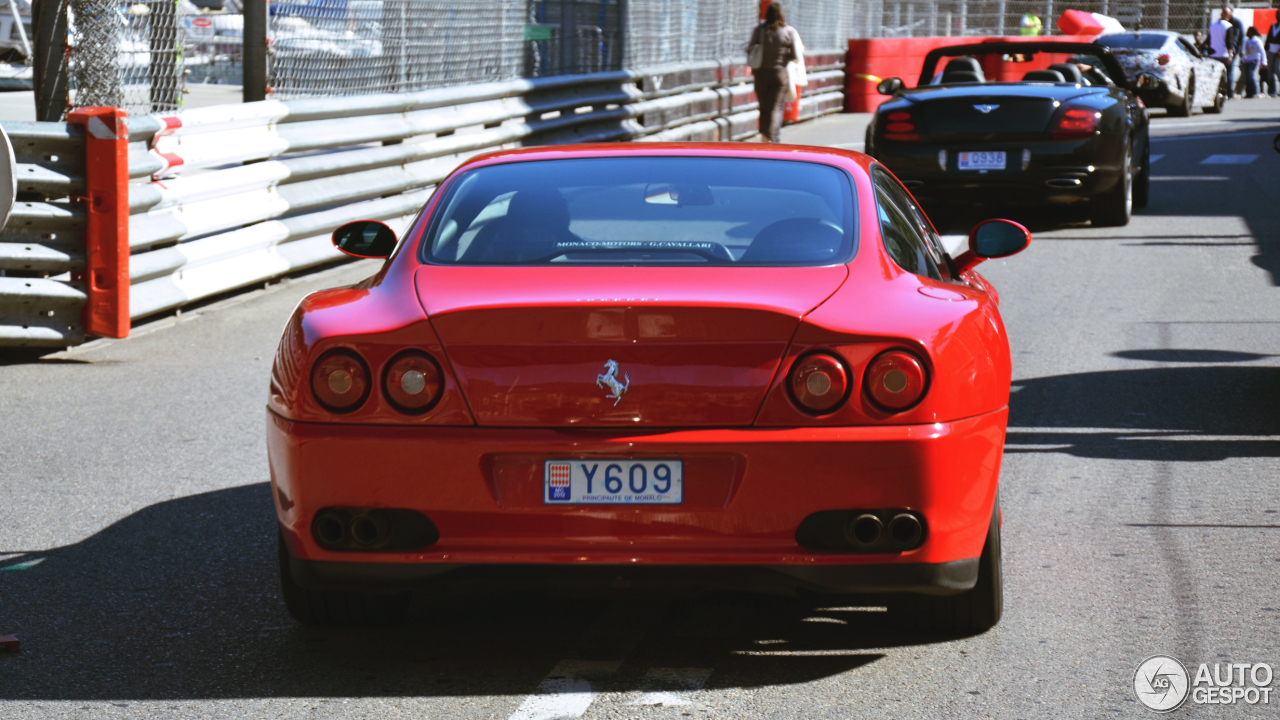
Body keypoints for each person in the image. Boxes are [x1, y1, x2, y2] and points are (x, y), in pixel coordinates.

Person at [746, 2, 799, 143]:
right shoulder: (788, 31)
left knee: (764, 108)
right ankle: (771, 137)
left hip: (761, 74)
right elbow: (795, 55)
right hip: (780, 75)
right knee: (775, 108)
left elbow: (750, 48)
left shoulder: (760, 30)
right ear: (781, 14)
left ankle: (764, 137)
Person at [1208, 5, 1245, 97]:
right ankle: (1219, 91)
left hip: (1232, 51)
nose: (1225, 15)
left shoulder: (1237, 23)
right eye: (1223, 13)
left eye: (1227, 13)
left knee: (1229, 71)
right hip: (1219, 52)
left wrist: (1240, 51)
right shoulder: (1218, 24)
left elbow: (1241, 37)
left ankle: (1229, 92)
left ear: (1231, 13)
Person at [1242, 26, 1267, 98]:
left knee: (1250, 74)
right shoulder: (1246, 41)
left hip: (1254, 60)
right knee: (1247, 76)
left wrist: (1264, 62)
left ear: (1252, 32)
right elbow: (1245, 51)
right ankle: (1249, 93)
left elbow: (1262, 51)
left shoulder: (1257, 41)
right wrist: (1242, 59)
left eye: (1249, 31)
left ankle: (1256, 91)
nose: (1247, 33)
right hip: (1247, 60)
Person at [1265, 20, 1280, 97]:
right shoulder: (1273, 25)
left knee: (1278, 69)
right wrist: (1266, 49)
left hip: (1278, 51)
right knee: (1270, 71)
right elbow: (1268, 38)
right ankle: (1272, 91)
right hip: (1271, 50)